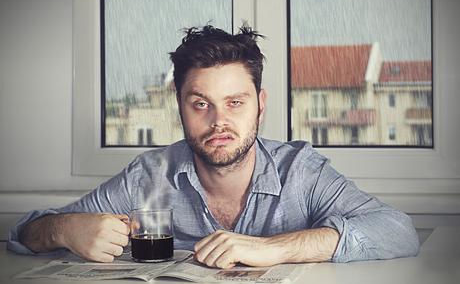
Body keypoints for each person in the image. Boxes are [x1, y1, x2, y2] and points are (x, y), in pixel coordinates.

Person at [8, 24, 419, 269]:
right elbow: (24, 232)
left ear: (260, 105)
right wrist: (63, 229)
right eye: (200, 103)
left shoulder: (302, 171)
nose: (218, 120)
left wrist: (275, 249)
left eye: (235, 103)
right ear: (180, 108)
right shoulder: (147, 177)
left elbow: (398, 232)